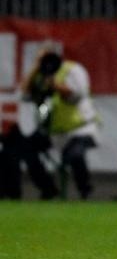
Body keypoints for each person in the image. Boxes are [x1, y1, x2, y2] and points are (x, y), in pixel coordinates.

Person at [21, 49, 99, 199]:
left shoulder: (72, 70)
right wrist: (36, 69)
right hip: (54, 131)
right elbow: (24, 94)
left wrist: (55, 85)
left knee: (75, 154)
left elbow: (77, 94)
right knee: (26, 148)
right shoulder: (39, 74)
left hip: (80, 128)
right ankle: (48, 189)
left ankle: (85, 191)